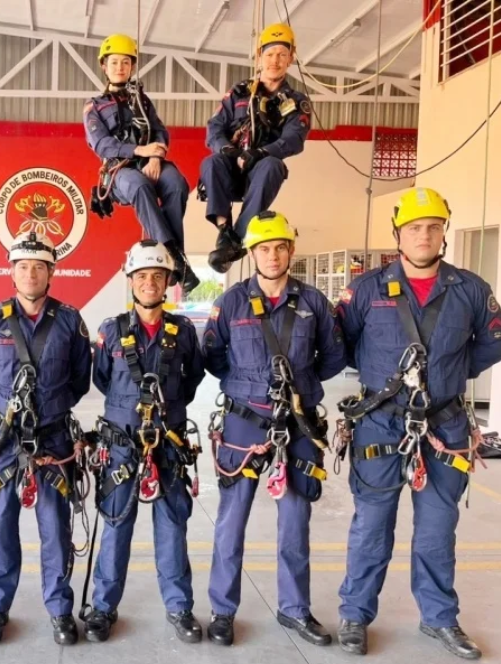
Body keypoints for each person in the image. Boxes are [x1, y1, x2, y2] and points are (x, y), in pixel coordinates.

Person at [335, 188, 501, 660]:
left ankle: (440, 618)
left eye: (432, 227)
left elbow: (492, 342)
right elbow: (344, 344)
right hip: (380, 423)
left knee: (437, 528)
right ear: (398, 234)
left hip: (444, 425)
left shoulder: (471, 289)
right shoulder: (366, 290)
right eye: (414, 228)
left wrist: (451, 371)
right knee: (371, 525)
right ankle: (355, 615)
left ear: (444, 232)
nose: (423, 235)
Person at [202, 211, 345, 647]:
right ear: (252, 253)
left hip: (298, 425)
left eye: (280, 247)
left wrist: (301, 387)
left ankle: (294, 609)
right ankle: (223, 610)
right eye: (264, 248)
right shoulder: (231, 303)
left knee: (295, 521)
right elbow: (214, 356)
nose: (273, 255)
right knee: (232, 521)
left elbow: (333, 356)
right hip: (244, 423)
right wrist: (246, 389)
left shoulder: (314, 303)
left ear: (291, 250)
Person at [83, 240, 205, 644]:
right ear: (130, 280)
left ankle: (179, 607)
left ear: (168, 282)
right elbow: (103, 379)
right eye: (141, 276)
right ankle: (103, 607)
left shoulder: (182, 331)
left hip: (168, 444)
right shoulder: (111, 330)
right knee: (116, 524)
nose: (149, 282)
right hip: (121, 445)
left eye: (157, 275)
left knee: (172, 525)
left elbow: (192, 380)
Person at [0, 231, 92, 645]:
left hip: (54, 440)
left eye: (38, 267)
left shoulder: (70, 320)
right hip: (5, 442)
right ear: (12, 272)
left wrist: (51, 408)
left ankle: (59, 610)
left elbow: (80, 379)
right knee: (1, 527)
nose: (30, 274)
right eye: (22, 267)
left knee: (56, 529)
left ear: (51, 273)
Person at [83, 34, 200, 296]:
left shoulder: (142, 100)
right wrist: (139, 150)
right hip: (119, 171)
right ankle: (176, 258)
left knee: (177, 184)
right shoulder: (94, 106)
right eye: (114, 62)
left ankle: (173, 257)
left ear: (132, 67)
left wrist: (155, 156)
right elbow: (101, 144)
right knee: (139, 185)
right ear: (104, 66)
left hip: (151, 161)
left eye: (126, 62)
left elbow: (159, 131)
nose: (120, 67)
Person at [199, 24, 310, 274]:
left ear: (291, 58)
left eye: (282, 54)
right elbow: (214, 127)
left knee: (273, 165)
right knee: (211, 162)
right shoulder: (238, 93)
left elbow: (294, 138)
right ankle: (224, 231)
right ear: (259, 56)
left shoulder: (295, 101)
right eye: (269, 54)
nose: (275, 61)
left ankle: (236, 240)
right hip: (231, 169)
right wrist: (227, 150)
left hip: (260, 173)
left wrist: (261, 153)